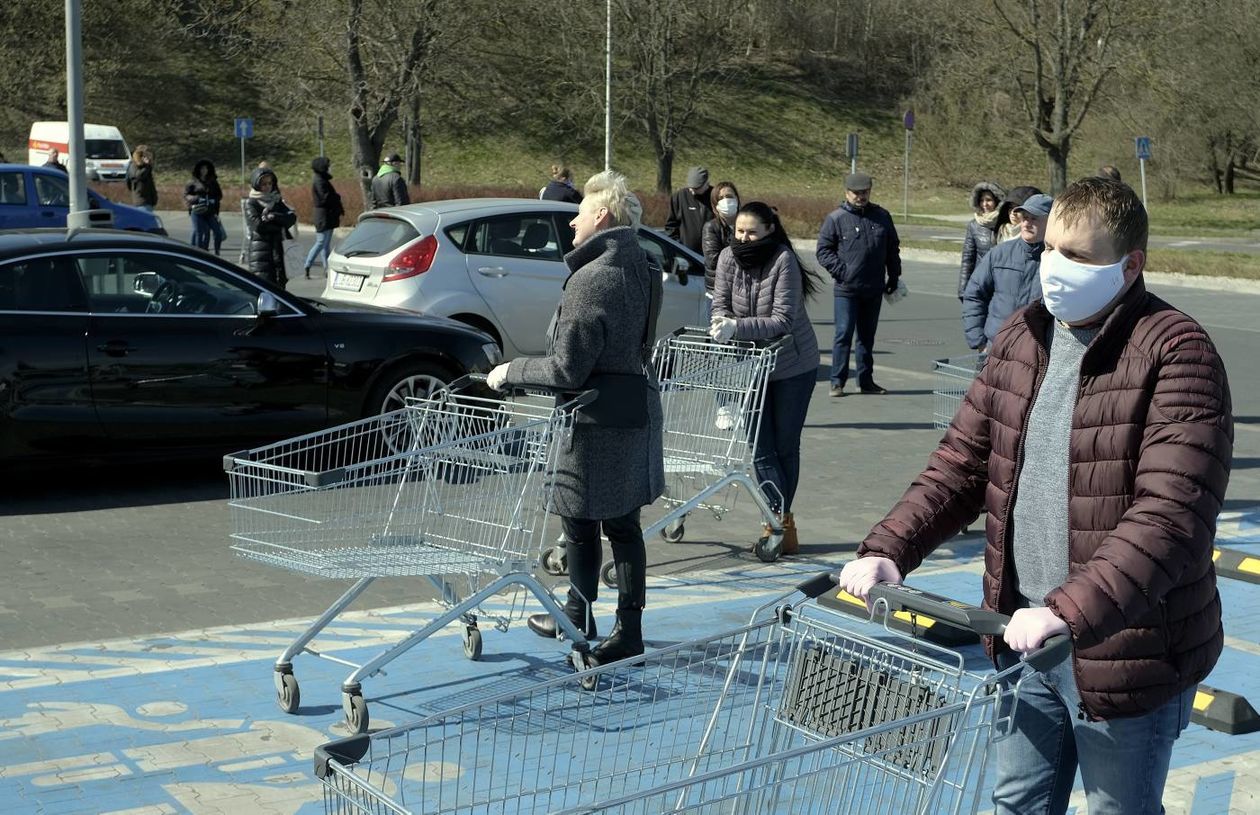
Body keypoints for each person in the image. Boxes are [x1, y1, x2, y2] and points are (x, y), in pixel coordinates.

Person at [838, 176, 1231, 815]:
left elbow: (1170, 517)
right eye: (1050, 249)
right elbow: (960, 465)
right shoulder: (1024, 335)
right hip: (1021, 634)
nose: (1054, 268)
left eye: (1077, 256)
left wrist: (1068, 613)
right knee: (1017, 803)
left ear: (1130, 266)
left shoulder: (1176, 353)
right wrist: (891, 547)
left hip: (1125, 649)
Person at [486, 170, 664, 668]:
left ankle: (588, 619)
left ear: (602, 217)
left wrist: (509, 371)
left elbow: (567, 368)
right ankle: (611, 625)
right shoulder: (644, 267)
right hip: (632, 408)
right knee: (621, 525)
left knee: (582, 520)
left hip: (592, 418)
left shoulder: (591, 279)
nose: (572, 226)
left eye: (579, 214)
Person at [710, 201, 821, 555]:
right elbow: (720, 302)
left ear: (769, 230)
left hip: (792, 366)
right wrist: (720, 323)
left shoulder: (783, 260)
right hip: (751, 366)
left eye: (751, 232)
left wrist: (737, 327)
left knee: (785, 446)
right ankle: (774, 521)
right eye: (739, 231)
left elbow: (783, 320)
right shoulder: (728, 257)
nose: (744, 238)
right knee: (760, 449)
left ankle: (781, 522)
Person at [816, 172, 901, 397]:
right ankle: (837, 382)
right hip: (846, 289)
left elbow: (892, 248)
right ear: (846, 193)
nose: (860, 196)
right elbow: (823, 251)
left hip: (873, 288)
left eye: (864, 192)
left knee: (866, 337)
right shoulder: (836, 218)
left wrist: (894, 277)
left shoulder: (882, 216)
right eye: (856, 193)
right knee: (843, 334)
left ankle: (866, 381)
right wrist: (843, 272)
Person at [961, 193, 1052, 353]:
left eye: (1034, 218)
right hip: (994, 349)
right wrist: (979, 341)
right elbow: (974, 294)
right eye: (1024, 217)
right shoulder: (999, 253)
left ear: (1052, 222)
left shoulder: (1059, 262)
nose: (1026, 223)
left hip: (1036, 354)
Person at [243, 167, 297, 287]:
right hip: (261, 253)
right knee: (264, 288)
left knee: (281, 289)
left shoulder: (276, 200)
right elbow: (258, 225)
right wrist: (279, 226)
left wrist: (273, 217)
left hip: (279, 251)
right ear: (256, 184)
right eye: (263, 184)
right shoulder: (251, 203)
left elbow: (291, 218)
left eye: (270, 183)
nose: (267, 186)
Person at [958, 181, 1005, 299]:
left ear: (997, 201)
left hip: (1003, 284)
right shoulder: (974, 226)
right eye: (982, 200)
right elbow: (968, 259)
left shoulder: (1006, 224)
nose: (985, 204)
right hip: (981, 282)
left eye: (989, 200)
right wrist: (963, 288)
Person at [304, 156, 344, 278]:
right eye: (328, 165)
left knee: (326, 244)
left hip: (327, 215)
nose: (330, 168)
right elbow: (325, 198)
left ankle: (327, 269)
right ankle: (307, 265)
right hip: (323, 216)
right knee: (321, 242)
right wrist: (336, 197)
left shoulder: (322, 179)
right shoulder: (320, 181)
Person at [701, 181, 740, 297]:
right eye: (720, 198)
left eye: (729, 196)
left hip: (743, 289)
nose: (726, 201)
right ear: (715, 205)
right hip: (719, 290)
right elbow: (714, 260)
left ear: (737, 199)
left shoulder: (748, 223)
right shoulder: (711, 227)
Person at [665, 165, 713, 253]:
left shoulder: (715, 196)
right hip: (686, 255)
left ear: (706, 183)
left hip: (711, 254)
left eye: (696, 188)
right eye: (690, 187)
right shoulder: (679, 197)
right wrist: (678, 248)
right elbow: (671, 227)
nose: (691, 190)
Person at [183, 159, 223, 252]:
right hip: (197, 210)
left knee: (218, 233)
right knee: (199, 233)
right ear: (198, 170)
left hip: (210, 211)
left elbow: (219, 195)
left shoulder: (213, 181)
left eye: (206, 169)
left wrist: (213, 200)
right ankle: (198, 253)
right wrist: (197, 199)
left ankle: (217, 253)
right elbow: (186, 195)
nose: (204, 171)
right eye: (202, 169)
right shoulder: (192, 181)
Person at [126, 145, 158, 211]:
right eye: (147, 155)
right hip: (141, 201)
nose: (149, 158)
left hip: (149, 201)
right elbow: (138, 176)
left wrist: (154, 198)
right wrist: (146, 166)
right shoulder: (133, 165)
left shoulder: (146, 167)